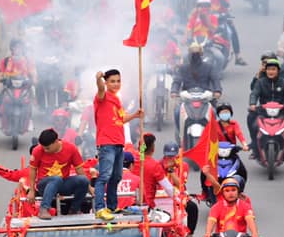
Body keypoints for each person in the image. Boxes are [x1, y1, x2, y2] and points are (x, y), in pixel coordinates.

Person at [93, 70, 143, 221]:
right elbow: (100, 89)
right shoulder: (102, 97)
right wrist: (98, 79)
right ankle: (100, 208)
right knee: (104, 176)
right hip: (106, 142)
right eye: (112, 81)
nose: (116, 84)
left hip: (118, 143)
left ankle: (112, 207)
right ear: (106, 83)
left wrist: (135, 115)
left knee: (116, 177)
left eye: (118, 81)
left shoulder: (117, 100)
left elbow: (121, 119)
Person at [27, 128, 89, 219]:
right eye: (43, 148)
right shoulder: (37, 150)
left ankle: (74, 209)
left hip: (62, 183)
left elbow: (79, 170)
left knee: (83, 180)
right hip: (44, 185)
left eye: (47, 148)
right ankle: (44, 209)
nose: (45, 150)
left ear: (56, 142)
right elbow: (32, 170)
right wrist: (31, 190)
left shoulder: (71, 148)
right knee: (56, 179)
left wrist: (90, 187)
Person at [248, 58, 284, 158]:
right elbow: (254, 93)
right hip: (263, 110)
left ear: (278, 71)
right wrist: (252, 104)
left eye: (273, 69)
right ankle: (254, 145)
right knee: (252, 120)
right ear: (265, 71)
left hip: (281, 110)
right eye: (269, 69)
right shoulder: (260, 82)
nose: (271, 72)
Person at [161, 141, 199, 237]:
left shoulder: (183, 166)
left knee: (192, 208)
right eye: (168, 156)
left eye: (173, 156)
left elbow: (181, 185)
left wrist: (171, 170)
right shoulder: (159, 164)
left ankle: (189, 236)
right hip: (162, 195)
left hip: (178, 194)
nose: (171, 158)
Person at [205, 0, 245, 66]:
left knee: (233, 29)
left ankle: (238, 56)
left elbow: (228, 10)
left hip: (221, 20)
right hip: (207, 22)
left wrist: (230, 20)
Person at [136, 133, 175, 209]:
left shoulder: (132, 161)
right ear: (153, 148)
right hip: (146, 206)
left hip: (128, 206)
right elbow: (168, 188)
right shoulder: (155, 165)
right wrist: (180, 199)